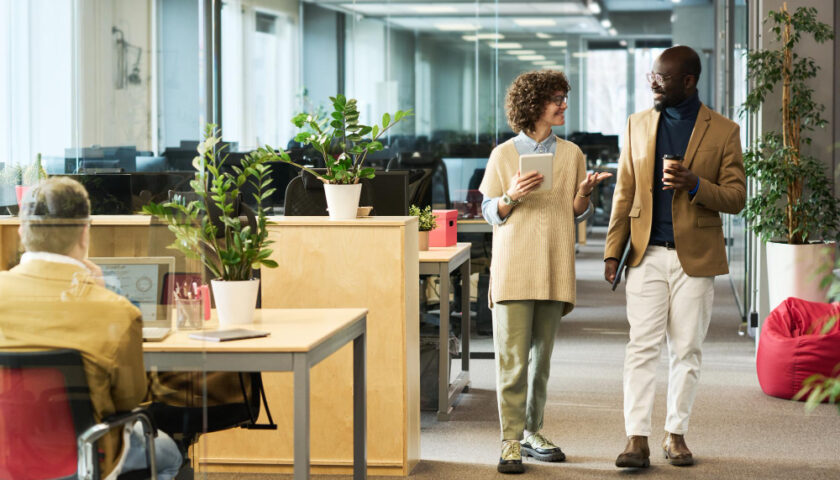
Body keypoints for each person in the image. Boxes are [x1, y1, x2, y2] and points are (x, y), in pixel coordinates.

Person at [604, 46, 746, 468]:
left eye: (662, 77)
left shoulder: (724, 131)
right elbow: (624, 192)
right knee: (641, 347)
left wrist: (695, 184)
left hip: (695, 258)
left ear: (688, 81)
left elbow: (736, 197)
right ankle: (636, 438)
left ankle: (676, 434)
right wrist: (613, 251)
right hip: (645, 253)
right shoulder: (637, 123)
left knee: (686, 350)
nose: (653, 82)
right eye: (652, 75)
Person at [0, 177, 183, 479]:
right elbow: (130, 400)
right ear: (85, 233)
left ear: (22, 231)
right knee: (170, 456)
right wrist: (102, 294)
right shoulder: (116, 310)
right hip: (87, 458)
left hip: (7, 455)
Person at [479, 70, 611, 474]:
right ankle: (510, 439)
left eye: (564, 97)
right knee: (513, 360)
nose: (563, 105)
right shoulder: (504, 155)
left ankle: (532, 431)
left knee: (541, 361)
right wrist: (511, 195)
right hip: (514, 267)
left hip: (554, 264)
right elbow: (489, 212)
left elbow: (575, 213)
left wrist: (584, 194)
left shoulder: (572, 154)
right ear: (534, 105)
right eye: (556, 99)